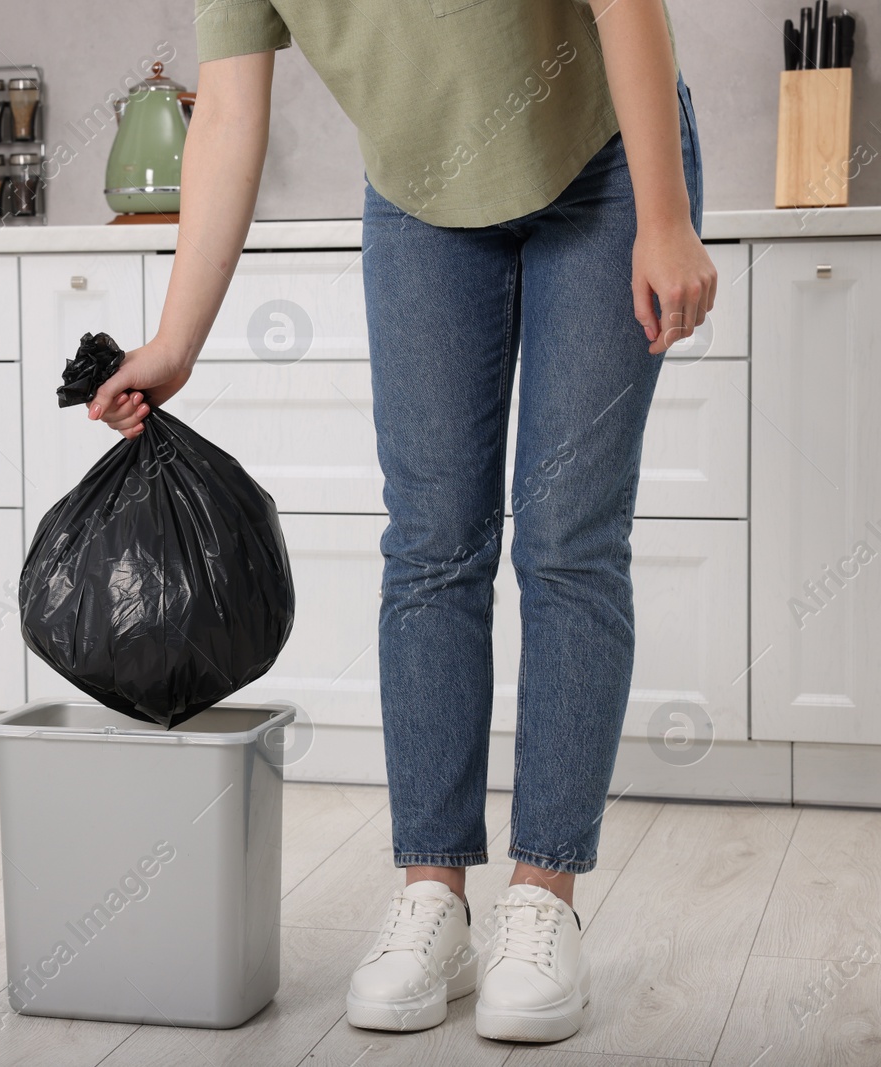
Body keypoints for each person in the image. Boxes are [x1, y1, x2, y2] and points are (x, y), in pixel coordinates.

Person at [86, 0, 713, 1044]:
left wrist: (666, 214)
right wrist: (174, 341)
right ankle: (434, 896)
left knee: (567, 541)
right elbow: (230, 112)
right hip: (422, 197)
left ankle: (542, 899)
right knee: (431, 545)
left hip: (605, 162)